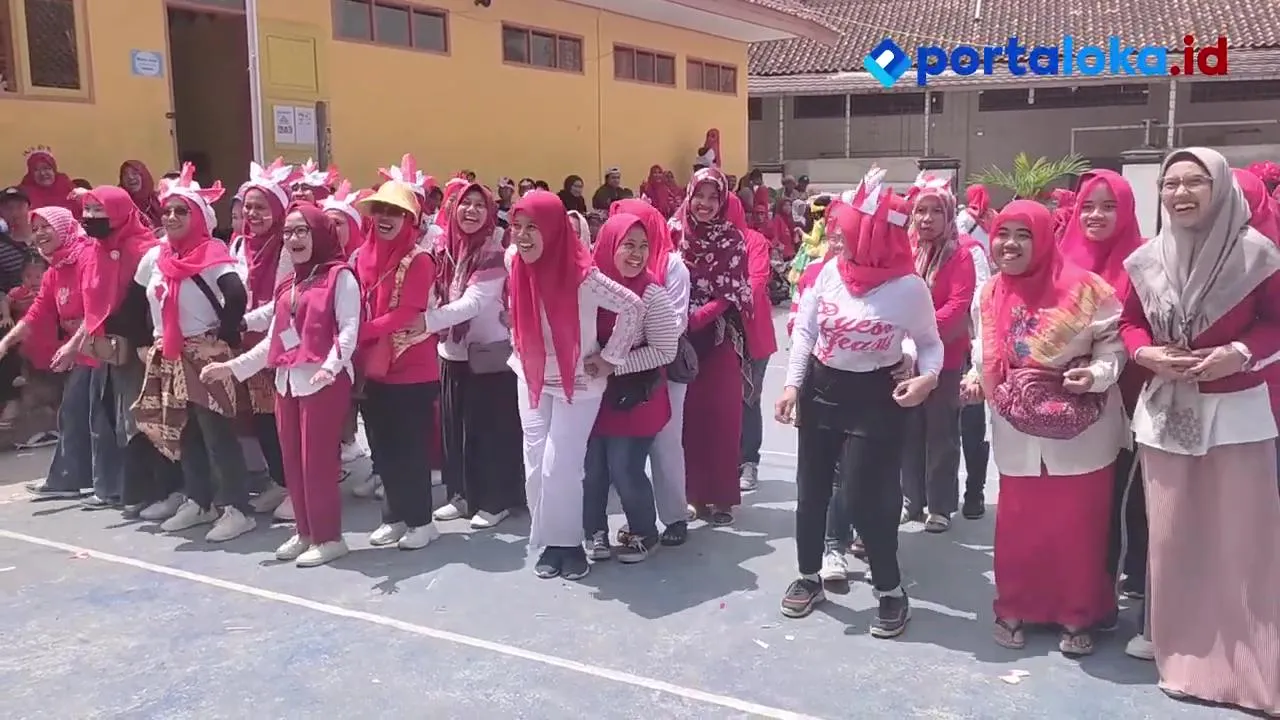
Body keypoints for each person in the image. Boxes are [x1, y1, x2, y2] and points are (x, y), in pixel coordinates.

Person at [1119, 147, 1279, 715]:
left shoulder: (1258, 255)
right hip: (1167, 413)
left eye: (1194, 182)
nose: (1180, 193)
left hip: (1237, 411)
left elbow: (1276, 323)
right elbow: (1130, 322)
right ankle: (1181, 653)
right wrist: (1147, 354)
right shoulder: (1146, 260)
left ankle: (1250, 668)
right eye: (1170, 183)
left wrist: (1239, 353)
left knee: (1242, 539)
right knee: (1172, 536)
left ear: (1221, 188)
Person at [775, 170, 941, 633]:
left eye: (844, 231)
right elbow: (806, 332)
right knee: (811, 492)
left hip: (874, 397)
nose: (836, 237)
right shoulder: (830, 272)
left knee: (865, 495)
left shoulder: (908, 288)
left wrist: (926, 379)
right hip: (822, 389)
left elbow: (929, 342)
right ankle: (809, 576)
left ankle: (890, 589)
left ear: (872, 235)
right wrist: (791, 385)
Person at [964, 199, 1126, 657]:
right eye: (1002, 233)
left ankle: (1077, 612)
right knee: (1019, 526)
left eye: (1024, 235)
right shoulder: (989, 293)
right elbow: (985, 348)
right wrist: (977, 377)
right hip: (1016, 428)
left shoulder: (1088, 290)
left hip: (1081, 431)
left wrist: (1094, 375)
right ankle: (1014, 606)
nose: (1010, 244)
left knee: (1079, 528)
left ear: (1044, 239)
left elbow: (1114, 348)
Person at [205, 203, 360, 567]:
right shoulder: (289, 284)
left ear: (319, 233)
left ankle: (328, 537)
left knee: (317, 464)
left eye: (301, 230)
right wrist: (232, 368)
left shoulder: (341, 277)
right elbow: (274, 339)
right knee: (293, 464)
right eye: (288, 232)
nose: (293, 239)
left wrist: (331, 367)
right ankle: (305, 532)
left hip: (323, 383)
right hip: (288, 383)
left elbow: (350, 329)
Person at [506, 190, 643, 580]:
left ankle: (569, 545)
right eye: (517, 226)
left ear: (553, 229)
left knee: (560, 465)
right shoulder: (514, 261)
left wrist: (611, 358)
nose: (523, 236)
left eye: (533, 227)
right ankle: (551, 542)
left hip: (579, 381)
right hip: (531, 375)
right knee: (535, 462)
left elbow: (633, 307)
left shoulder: (583, 276)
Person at [131, 165, 254, 541]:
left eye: (181, 211)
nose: (171, 217)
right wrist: (145, 341)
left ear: (199, 217)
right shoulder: (156, 256)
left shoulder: (213, 252)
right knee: (184, 432)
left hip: (202, 356)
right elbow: (141, 298)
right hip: (168, 354)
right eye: (167, 211)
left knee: (216, 434)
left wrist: (222, 339)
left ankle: (236, 508)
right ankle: (199, 501)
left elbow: (236, 296)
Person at [1058, 169, 1150, 601]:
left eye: (1108, 207)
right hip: (1068, 400)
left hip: (1128, 396)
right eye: (1088, 207)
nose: (1095, 215)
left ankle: (1123, 576)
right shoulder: (1061, 260)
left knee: (1124, 494)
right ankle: (1075, 579)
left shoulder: (1145, 263)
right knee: (1075, 497)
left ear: (1126, 210)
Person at [582, 213, 680, 562]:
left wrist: (613, 364)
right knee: (592, 468)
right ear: (609, 246)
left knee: (624, 467)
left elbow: (665, 350)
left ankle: (644, 531)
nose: (637, 254)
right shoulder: (590, 284)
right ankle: (594, 531)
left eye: (643, 246)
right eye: (628, 245)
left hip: (635, 399)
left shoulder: (651, 293)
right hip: (593, 395)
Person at [427, 183, 525, 530]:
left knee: (489, 433)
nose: (471, 211)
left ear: (489, 212)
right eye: (464, 204)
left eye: (479, 205)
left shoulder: (493, 252)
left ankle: (495, 500)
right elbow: (431, 291)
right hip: (451, 353)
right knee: (455, 431)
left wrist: (425, 322)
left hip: (488, 357)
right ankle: (461, 495)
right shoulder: (442, 249)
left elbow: (475, 302)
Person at [352, 180, 442, 551]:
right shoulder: (361, 256)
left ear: (410, 219)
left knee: (410, 450)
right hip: (371, 366)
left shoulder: (419, 259)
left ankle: (421, 521)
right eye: (380, 210)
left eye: (396, 212)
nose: (385, 218)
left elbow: (407, 312)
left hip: (411, 370)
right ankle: (393, 516)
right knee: (382, 449)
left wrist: (360, 331)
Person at [0, 207, 110, 501]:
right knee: (73, 413)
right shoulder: (55, 269)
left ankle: (108, 485)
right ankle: (71, 479)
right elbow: (38, 312)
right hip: (84, 351)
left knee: (99, 419)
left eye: (46, 226)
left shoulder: (88, 257)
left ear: (63, 227)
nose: (39, 234)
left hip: (103, 349)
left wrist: (71, 347)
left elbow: (97, 308)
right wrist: (6, 343)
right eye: (35, 229)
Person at [71, 186, 163, 515]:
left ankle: (153, 491)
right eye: (88, 210)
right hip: (108, 348)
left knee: (141, 417)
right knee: (115, 418)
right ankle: (131, 489)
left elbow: (146, 304)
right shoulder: (93, 250)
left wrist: (137, 340)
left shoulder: (144, 249)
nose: (90, 217)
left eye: (99, 211)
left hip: (138, 346)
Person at [668, 168, 753, 526]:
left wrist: (697, 317)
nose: (704, 204)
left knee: (721, 418)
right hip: (677, 339)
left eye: (712, 197)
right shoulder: (673, 232)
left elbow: (732, 291)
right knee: (686, 419)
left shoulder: (732, 239)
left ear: (723, 201)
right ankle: (692, 495)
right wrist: (676, 320)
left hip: (717, 338)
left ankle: (721, 498)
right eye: (699, 196)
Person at [609, 198, 692, 546]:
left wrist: (623, 344)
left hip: (662, 368)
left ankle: (675, 516)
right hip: (619, 372)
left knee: (665, 443)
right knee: (621, 450)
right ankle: (637, 521)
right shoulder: (609, 263)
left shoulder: (672, 266)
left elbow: (676, 322)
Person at [900, 176, 976, 533]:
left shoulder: (960, 255)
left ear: (948, 216)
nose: (926, 219)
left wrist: (918, 332)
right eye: (920, 211)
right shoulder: (905, 251)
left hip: (945, 359)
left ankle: (940, 505)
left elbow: (958, 306)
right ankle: (911, 500)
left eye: (935, 212)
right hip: (905, 360)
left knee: (941, 434)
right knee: (908, 431)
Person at [235, 158, 298, 520]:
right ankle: (279, 479)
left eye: (261, 207)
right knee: (261, 418)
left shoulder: (286, 247)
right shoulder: (240, 244)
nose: (253, 214)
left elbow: (282, 301)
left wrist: (248, 322)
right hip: (248, 339)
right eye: (248, 207)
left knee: (283, 420)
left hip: (281, 341)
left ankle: (297, 485)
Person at [724, 195, 777, 493]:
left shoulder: (754, 241)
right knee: (720, 401)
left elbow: (756, 282)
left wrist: (722, 300)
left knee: (748, 399)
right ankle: (725, 461)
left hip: (752, 334)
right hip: (718, 333)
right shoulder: (704, 241)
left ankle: (748, 461)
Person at [119, 160, 163, 228]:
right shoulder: (119, 204)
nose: (130, 177)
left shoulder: (159, 199)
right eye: (125, 175)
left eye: (135, 173)